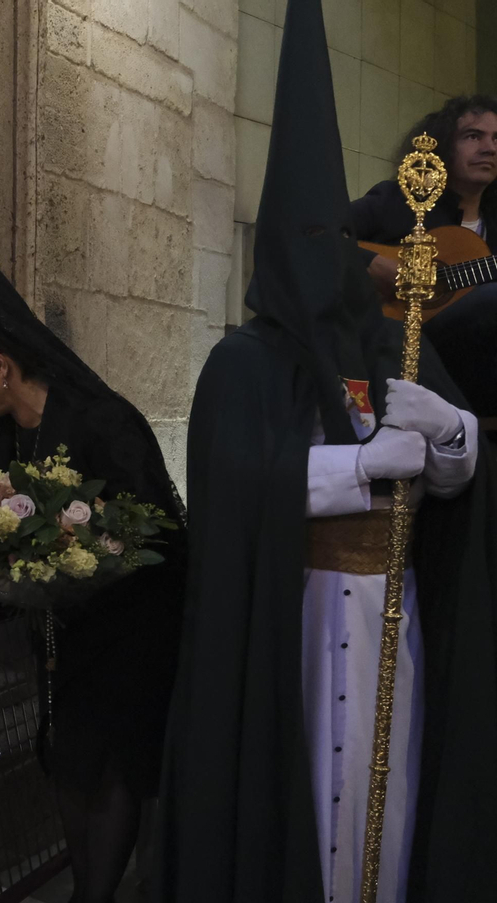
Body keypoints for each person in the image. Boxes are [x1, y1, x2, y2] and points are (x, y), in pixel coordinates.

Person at [158, 2, 496, 901]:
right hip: (295, 618)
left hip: (400, 610)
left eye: (332, 243)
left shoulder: (388, 344)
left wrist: (452, 437)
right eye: (306, 243)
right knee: (307, 797)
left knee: (395, 798)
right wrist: (357, 468)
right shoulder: (244, 362)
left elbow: (462, 477)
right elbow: (234, 488)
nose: (323, 263)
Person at [0, 249, 187, 903]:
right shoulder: (5, 436)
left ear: (1, 366)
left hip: (130, 635)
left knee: (114, 763)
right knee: (66, 759)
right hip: (64, 639)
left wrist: (82, 558)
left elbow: (156, 531)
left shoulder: (105, 422)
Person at [351, 95, 497, 436]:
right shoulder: (397, 201)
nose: (489, 148)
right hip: (389, 338)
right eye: (473, 136)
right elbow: (317, 231)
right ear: (445, 145)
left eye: (496, 139)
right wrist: (370, 262)